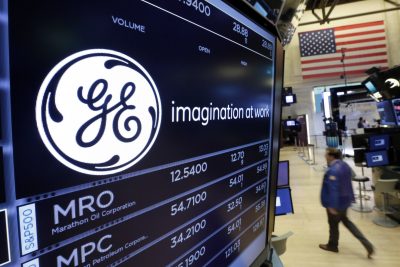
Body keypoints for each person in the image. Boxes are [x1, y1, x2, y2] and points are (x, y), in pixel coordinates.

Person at [319, 148, 374, 258]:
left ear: (331, 156)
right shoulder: (344, 165)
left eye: (326, 155)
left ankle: (332, 245)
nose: (325, 157)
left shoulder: (333, 170)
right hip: (345, 201)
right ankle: (367, 244)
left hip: (336, 203)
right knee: (347, 222)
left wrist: (332, 206)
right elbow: (350, 178)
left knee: (333, 225)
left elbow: (333, 189)